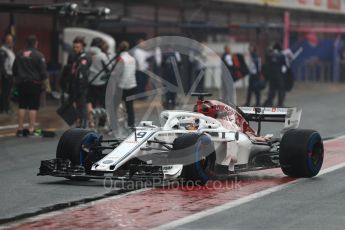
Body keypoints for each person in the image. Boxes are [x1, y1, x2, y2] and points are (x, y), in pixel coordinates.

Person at [12, 34, 48, 137]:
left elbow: (14, 69)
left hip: (21, 83)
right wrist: (45, 84)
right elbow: (43, 72)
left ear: (26, 43)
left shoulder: (19, 54)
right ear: (36, 43)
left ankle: (19, 129)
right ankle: (31, 129)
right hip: (34, 84)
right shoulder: (38, 55)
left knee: (22, 105)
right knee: (33, 107)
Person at [86, 37, 110, 129]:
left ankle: (92, 122)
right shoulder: (102, 55)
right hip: (101, 82)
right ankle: (102, 122)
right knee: (103, 103)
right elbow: (109, 67)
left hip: (90, 82)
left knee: (91, 103)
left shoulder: (87, 53)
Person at [69, 36, 92, 128]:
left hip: (82, 85)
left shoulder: (84, 57)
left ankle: (83, 125)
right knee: (77, 105)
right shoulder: (75, 56)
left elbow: (82, 72)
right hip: (75, 85)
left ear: (82, 47)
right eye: (74, 47)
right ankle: (79, 123)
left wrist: (81, 85)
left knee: (82, 105)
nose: (75, 49)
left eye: (77, 47)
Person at [113, 41, 137, 128]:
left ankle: (113, 125)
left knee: (114, 105)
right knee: (130, 106)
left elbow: (117, 72)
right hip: (132, 84)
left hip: (122, 86)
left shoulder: (120, 58)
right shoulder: (132, 58)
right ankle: (131, 124)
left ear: (119, 48)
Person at [0, 34, 15, 114]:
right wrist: (5, 73)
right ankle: (4, 108)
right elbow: (2, 64)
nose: (10, 41)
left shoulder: (10, 50)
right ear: (5, 40)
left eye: (11, 40)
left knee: (8, 92)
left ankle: (5, 107)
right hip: (7, 74)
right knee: (5, 92)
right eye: (8, 39)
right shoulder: (3, 50)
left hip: (11, 74)